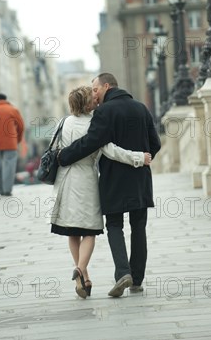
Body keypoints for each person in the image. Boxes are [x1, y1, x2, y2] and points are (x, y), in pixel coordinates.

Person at [58, 73, 161, 298]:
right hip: (140, 177)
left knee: (115, 225)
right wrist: (143, 159)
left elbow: (93, 141)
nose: (94, 94)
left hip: (114, 178)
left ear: (106, 86)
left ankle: (123, 272)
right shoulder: (141, 108)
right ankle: (137, 278)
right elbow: (155, 143)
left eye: (95, 89)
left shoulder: (104, 112)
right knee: (139, 226)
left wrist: (65, 156)